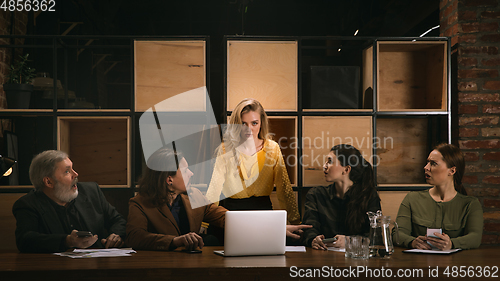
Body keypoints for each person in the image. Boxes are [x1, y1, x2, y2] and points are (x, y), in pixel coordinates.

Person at [126, 146, 311, 251]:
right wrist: (175, 241)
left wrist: (275, 227)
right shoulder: (140, 203)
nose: (191, 173)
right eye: (185, 170)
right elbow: (135, 238)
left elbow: (227, 218)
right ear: (169, 179)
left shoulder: (194, 197)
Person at [205, 98, 300, 224]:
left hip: (263, 211)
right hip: (231, 213)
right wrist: (204, 223)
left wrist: (295, 222)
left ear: (261, 123)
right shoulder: (225, 150)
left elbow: (284, 188)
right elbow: (214, 189)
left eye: (254, 123)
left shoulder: (272, 148)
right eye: (243, 123)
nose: (248, 129)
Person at [12, 150, 126, 253]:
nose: (76, 174)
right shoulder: (28, 204)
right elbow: (25, 240)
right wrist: (67, 241)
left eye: (72, 168)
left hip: (99, 264)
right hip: (56, 269)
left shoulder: (91, 192)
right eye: (67, 171)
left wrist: (115, 235)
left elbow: (118, 220)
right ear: (48, 182)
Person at [394, 143, 483, 250]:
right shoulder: (412, 199)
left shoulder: (470, 204)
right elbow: (397, 234)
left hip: (455, 264)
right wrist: (412, 242)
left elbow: (475, 238)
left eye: (433, 163)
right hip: (418, 263)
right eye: (427, 162)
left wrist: (451, 244)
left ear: (452, 171)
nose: (426, 167)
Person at [302, 144, 381, 250]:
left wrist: (350, 241)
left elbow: (377, 236)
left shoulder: (368, 196)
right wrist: (313, 239)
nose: (324, 166)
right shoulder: (316, 195)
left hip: (357, 261)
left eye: (330, 161)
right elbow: (309, 228)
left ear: (346, 169)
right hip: (322, 258)